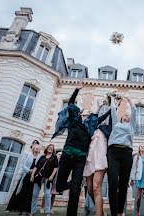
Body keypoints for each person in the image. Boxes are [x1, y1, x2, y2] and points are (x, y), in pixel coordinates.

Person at [53, 86, 111, 216]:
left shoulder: (91, 125)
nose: (87, 114)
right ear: (80, 114)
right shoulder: (74, 120)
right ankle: (71, 184)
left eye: (89, 113)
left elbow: (101, 117)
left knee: (74, 192)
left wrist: (112, 107)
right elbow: (71, 103)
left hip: (80, 159)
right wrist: (77, 90)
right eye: (85, 112)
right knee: (60, 186)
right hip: (67, 156)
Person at [107, 94, 136, 216]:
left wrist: (129, 99)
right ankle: (114, 212)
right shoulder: (116, 125)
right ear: (121, 118)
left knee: (123, 183)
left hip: (126, 153)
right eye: (125, 115)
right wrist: (113, 100)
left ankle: (120, 212)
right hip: (113, 152)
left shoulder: (131, 126)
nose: (127, 117)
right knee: (113, 182)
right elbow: (113, 110)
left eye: (128, 117)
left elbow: (134, 110)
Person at [84, 99, 113, 216]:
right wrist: (98, 106)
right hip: (90, 159)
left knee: (96, 187)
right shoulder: (89, 127)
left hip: (101, 159)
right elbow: (94, 117)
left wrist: (113, 104)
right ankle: (102, 212)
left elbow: (111, 117)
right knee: (90, 189)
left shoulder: (106, 129)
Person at [6, 139, 41, 214]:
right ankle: (20, 209)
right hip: (26, 175)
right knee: (23, 192)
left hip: (34, 177)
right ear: (33, 148)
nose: (36, 148)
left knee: (31, 193)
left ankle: (28, 210)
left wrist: (34, 172)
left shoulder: (39, 157)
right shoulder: (29, 155)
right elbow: (23, 165)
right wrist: (29, 170)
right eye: (35, 147)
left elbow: (39, 166)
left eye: (37, 147)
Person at [30, 144, 59, 216]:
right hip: (38, 177)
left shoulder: (54, 157)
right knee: (34, 194)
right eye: (49, 147)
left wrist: (52, 176)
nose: (50, 149)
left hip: (48, 178)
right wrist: (32, 175)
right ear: (47, 149)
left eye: (52, 148)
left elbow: (56, 167)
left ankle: (47, 212)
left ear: (53, 150)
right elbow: (36, 167)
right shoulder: (42, 157)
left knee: (47, 194)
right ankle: (32, 211)